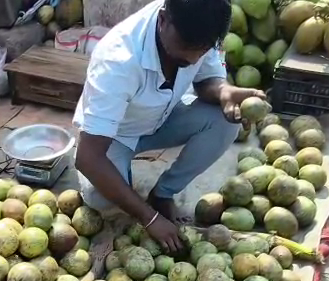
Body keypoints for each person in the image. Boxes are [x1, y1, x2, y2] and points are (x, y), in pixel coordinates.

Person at [73, 0, 265, 253]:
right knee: (99, 200)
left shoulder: (202, 29)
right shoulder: (117, 61)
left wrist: (223, 91)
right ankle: (139, 195)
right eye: (186, 48)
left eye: (202, 50)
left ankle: (162, 193)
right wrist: (148, 218)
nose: (194, 57)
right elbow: (88, 158)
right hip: (116, 134)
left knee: (224, 121)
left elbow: (206, 80)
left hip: (162, 118)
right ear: (162, 20)